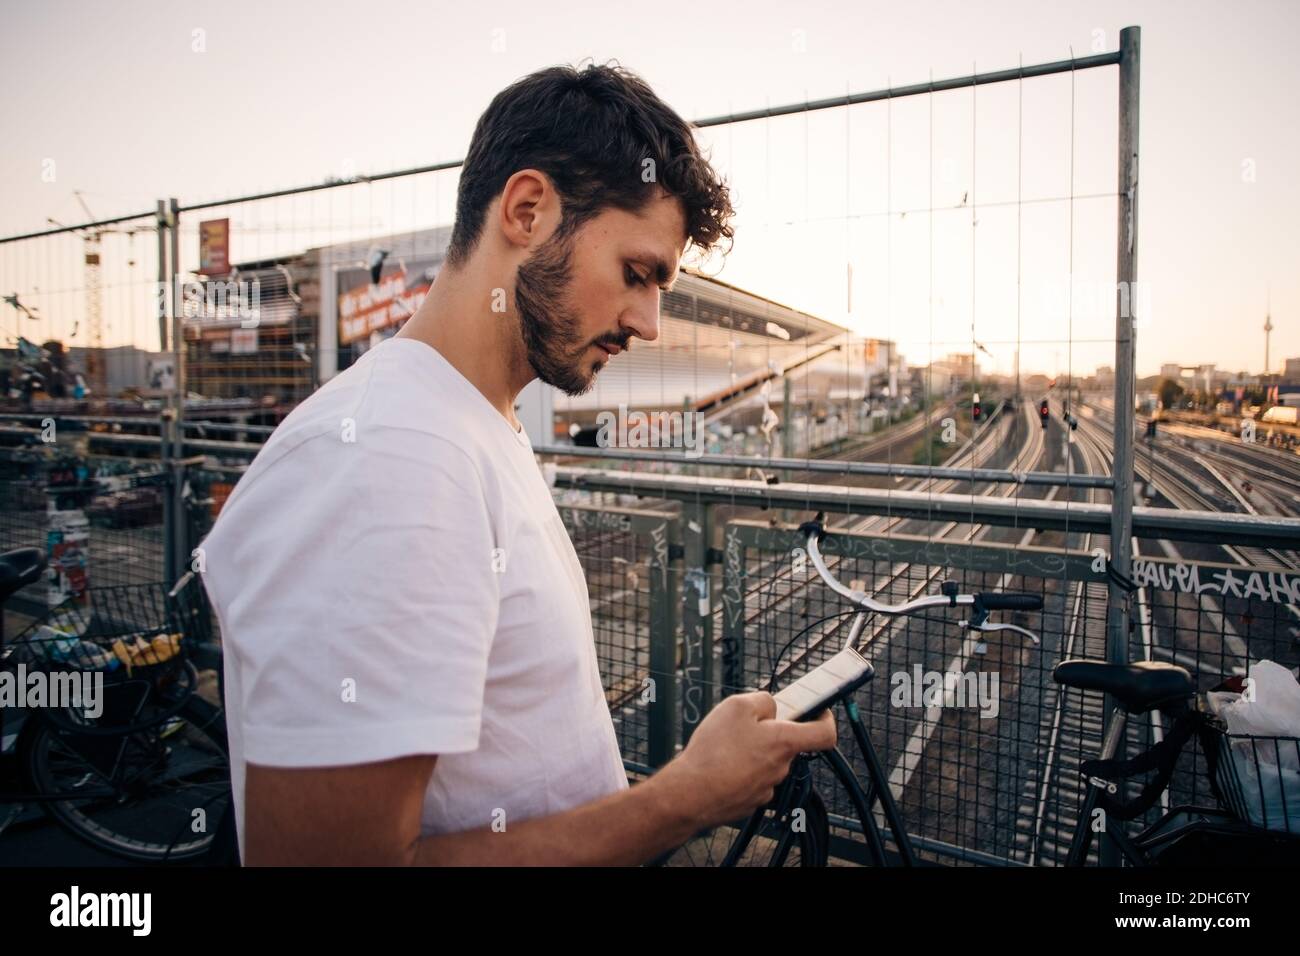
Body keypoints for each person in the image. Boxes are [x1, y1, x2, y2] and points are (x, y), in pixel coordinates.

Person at [199, 61, 836, 866]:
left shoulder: (467, 423)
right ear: (528, 210)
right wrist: (687, 797)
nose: (649, 322)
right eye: (637, 275)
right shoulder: (387, 461)